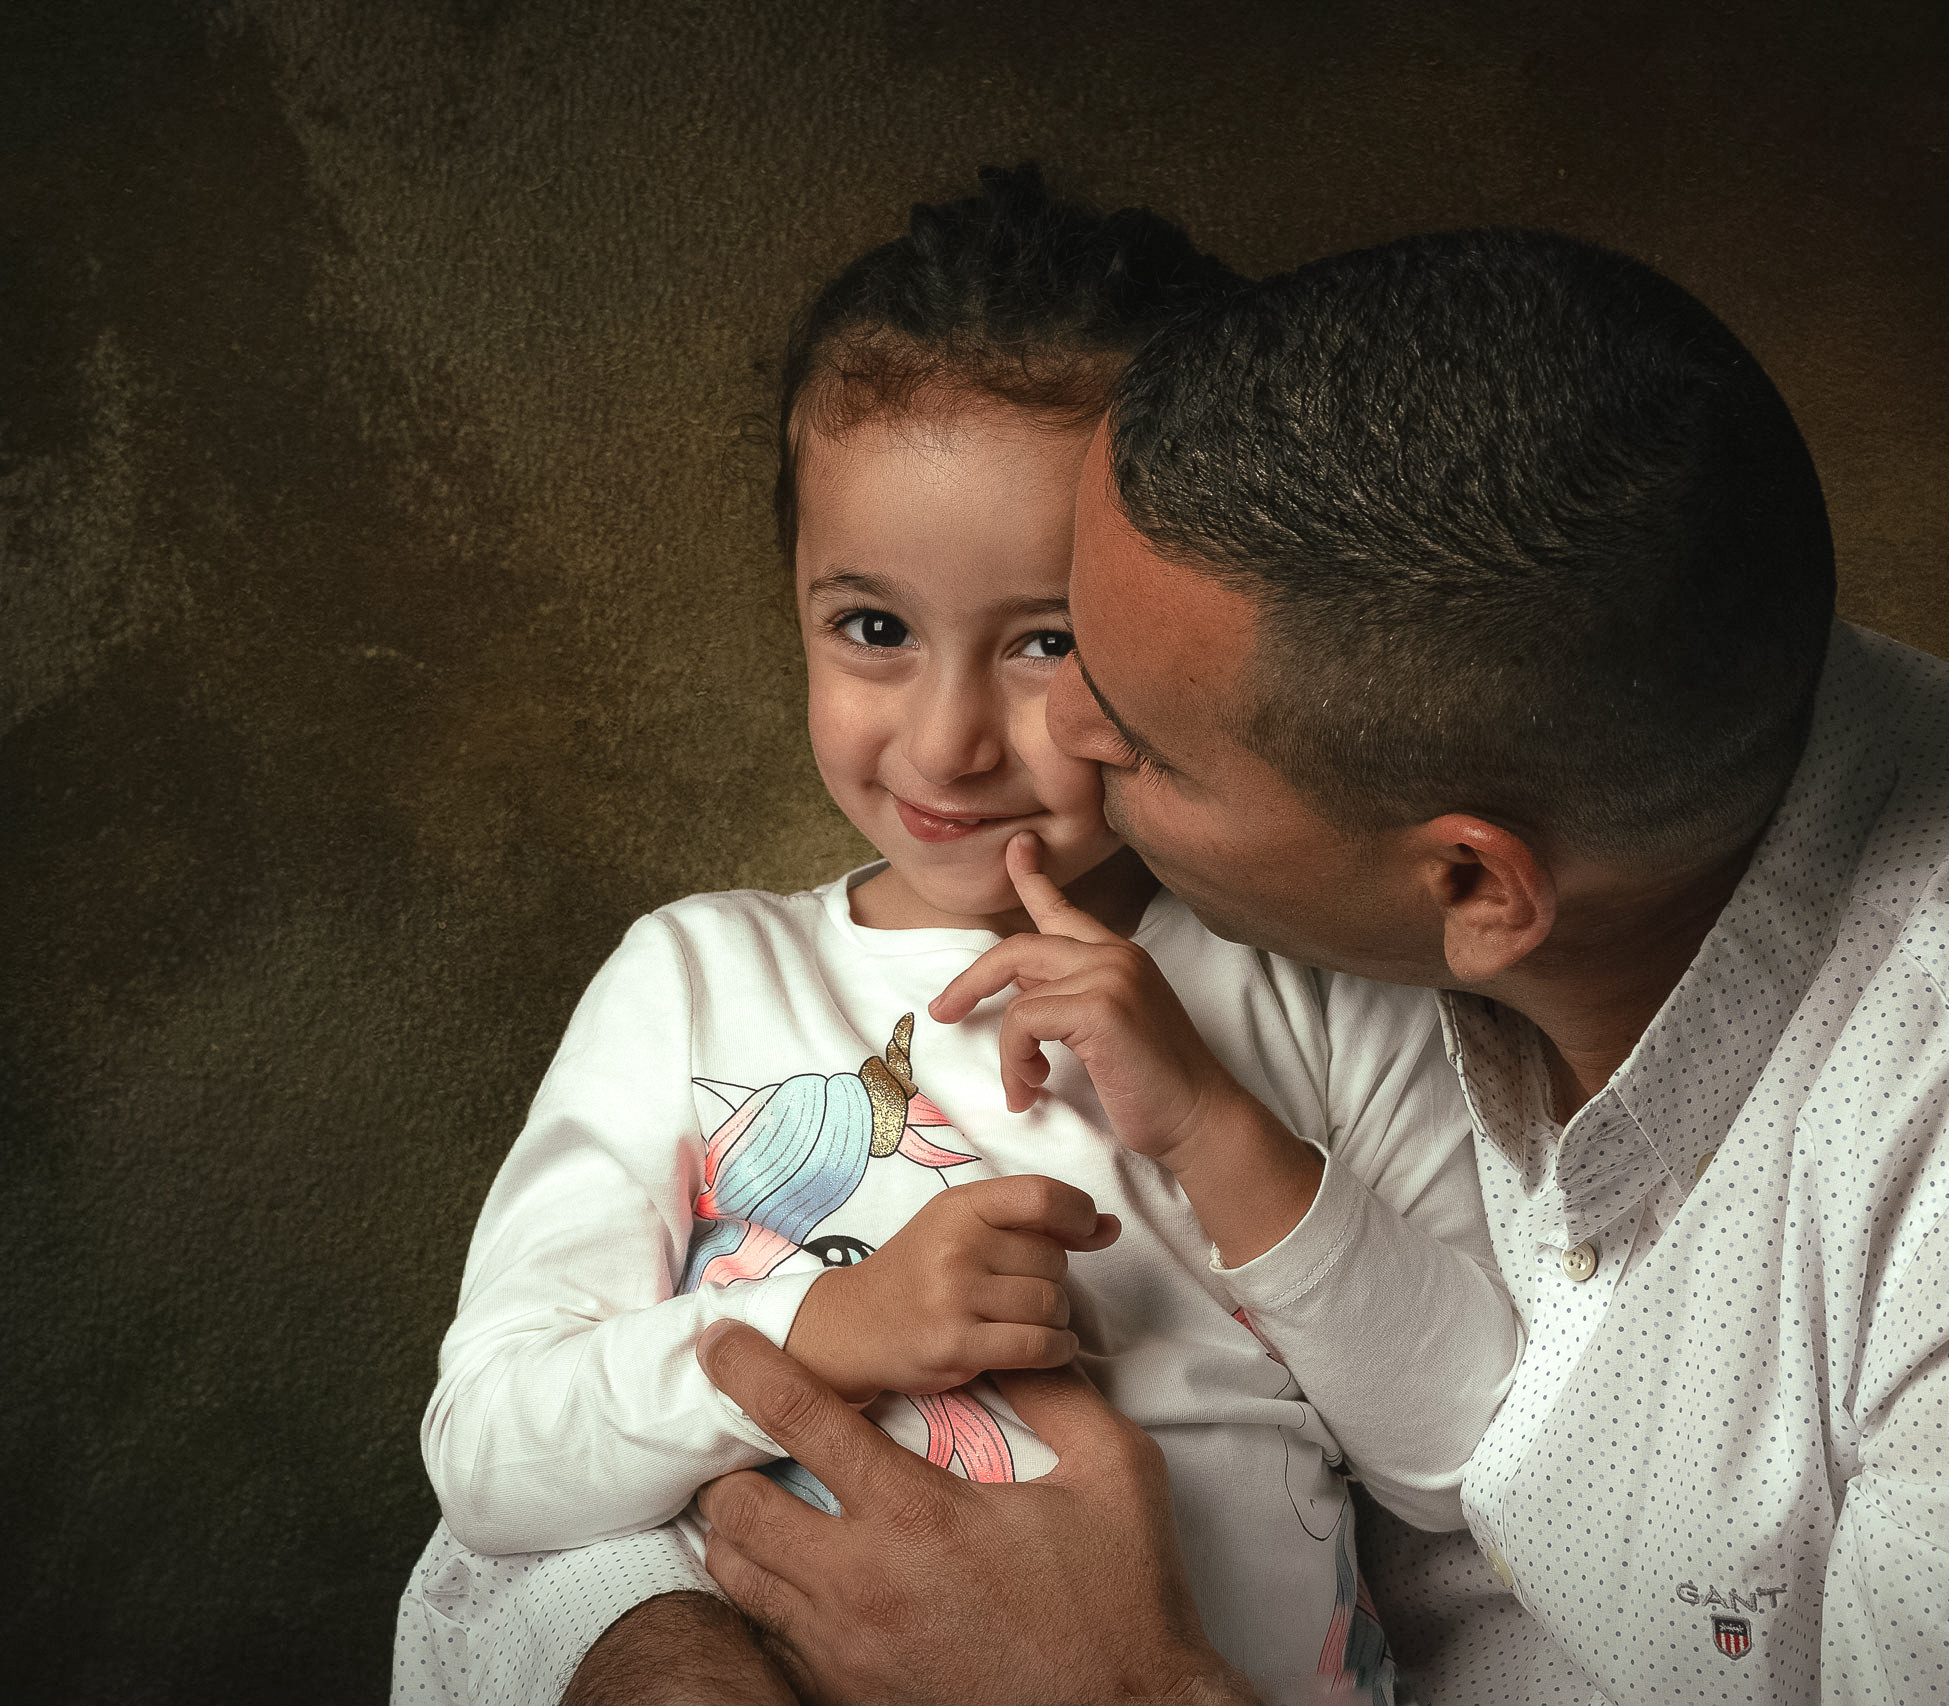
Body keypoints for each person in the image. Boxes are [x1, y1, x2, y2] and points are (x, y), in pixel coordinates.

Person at [675, 228, 1949, 1703]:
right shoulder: (1408, 834)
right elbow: (626, 1366)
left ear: (1476, 888)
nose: (1042, 755)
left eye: (1138, 739)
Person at [389, 170, 1520, 1706]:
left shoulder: (1323, 988)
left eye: (1047, 640)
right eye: (873, 628)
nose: (947, 740)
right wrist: (830, 1321)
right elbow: (494, 1452)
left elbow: (1478, 1466)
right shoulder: (697, 980)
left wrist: (1210, 1124)